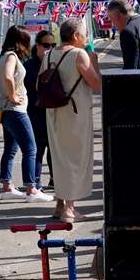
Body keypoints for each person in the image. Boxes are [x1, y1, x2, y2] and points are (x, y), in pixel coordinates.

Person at [44, 19, 102, 223]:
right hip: (75, 113)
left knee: (60, 157)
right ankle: (69, 208)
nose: (86, 38)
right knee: (75, 159)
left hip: (53, 112)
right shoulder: (79, 54)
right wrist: (94, 62)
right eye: (84, 34)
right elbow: (95, 83)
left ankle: (60, 204)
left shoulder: (49, 53)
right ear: (76, 36)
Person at [0, 25, 51, 201]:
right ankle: (31, 189)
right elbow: (8, 76)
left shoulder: (3, 55)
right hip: (15, 110)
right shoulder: (11, 57)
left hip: (4, 110)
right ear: (20, 41)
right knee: (31, 148)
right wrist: (13, 95)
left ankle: (7, 186)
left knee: (10, 149)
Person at [24, 29, 56, 188]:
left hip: (52, 112)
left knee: (54, 149)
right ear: (37, 46)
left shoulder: (55, 63)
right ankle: (35, 182)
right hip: (35, 113)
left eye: (53, 45)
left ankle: (54, 178)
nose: (49, 48)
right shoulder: (29, 66)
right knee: (37, 149)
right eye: (46, 45)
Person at [106, 0, 140, 70]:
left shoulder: (128, 32)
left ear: (117, 15)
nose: (113, 24)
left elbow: (130, 70)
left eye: (111, 19)